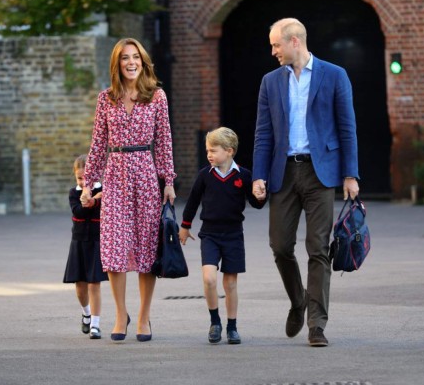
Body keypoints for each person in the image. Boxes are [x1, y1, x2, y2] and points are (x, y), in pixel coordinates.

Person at [252, 18, 360, 347]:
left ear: (295, 41)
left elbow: (347, 128)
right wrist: (258, 174)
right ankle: (298, 301)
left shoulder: (335, 75)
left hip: (320, 172)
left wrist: (350, 174)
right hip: (282, 173)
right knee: (280, 246)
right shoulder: (270, 82)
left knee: (318, 249)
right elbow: (263, 133)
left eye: (276, 45)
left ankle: (316, 324)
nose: (272, 51)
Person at [81, 38, 177, 343]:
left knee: (148, 249)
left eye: (136, 57)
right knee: (114, 248)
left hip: (146, 175)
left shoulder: (157, 96)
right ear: (117, 64)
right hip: (115, 176)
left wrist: (169, 180)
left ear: (143, 61)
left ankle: (145, 317)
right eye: (125, 58)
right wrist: (87, 183)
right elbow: (97, 144)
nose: (131, 62)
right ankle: (121, 314)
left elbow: (163, 142)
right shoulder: (105, 98)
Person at [179, 127, 265, 344]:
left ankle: (232, 327)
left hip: (234, 234)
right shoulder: (204, 175)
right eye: (207, 150)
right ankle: (215, 321)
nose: (209, 154)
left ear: (229, 151)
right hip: (210, 234)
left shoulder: (244, 176)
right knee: (209, 279)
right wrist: (185, 226)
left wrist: (261, 195)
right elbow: (192, 202)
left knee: (230, 284)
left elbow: (255, 203)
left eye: (213, 150)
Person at [62, 154, 108, 340]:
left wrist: (96, 198)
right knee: (80, 285)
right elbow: (78, 212)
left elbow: (105, 207)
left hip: (97, 241)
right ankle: (86, 314)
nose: (83, 181)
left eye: (87, 178)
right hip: (79, 241)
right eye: (80, 178)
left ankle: (96, 324)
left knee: (94, 283)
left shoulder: (103, 190)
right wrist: (88, 199)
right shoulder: (74, 193)